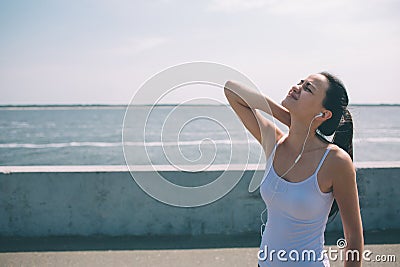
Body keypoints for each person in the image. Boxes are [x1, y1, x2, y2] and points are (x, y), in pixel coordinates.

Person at [224, 72, 364, 266]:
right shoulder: (275, 143)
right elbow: (231, 89)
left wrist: (303, 124)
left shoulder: (336, 161)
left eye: (308, 88)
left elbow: (354, 239)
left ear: (324, 114)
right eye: (301, 82)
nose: (297, 87)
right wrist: (290, 118)